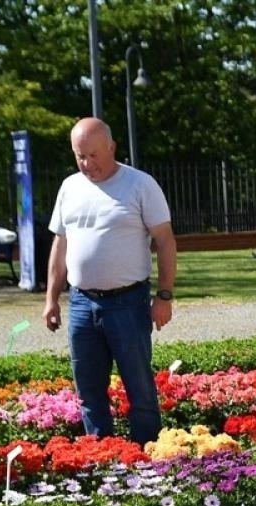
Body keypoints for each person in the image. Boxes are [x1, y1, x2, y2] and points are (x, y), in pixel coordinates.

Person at [42, 117, 177, 445]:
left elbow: (165, 241)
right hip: (81, 301)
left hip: (128, 302)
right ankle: (103, 458)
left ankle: (148, 459)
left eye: (94, 155)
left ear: (112, 148)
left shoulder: (139, 185)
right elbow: (60, 246)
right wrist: (50, 299)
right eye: (80, 156)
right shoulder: (69, 187)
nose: (87, 163)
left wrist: (164, 296)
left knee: (139, 389)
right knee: (88, 390)